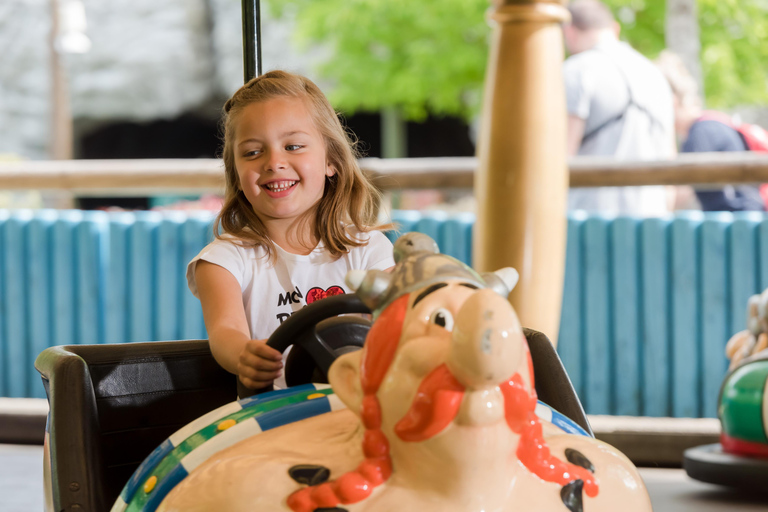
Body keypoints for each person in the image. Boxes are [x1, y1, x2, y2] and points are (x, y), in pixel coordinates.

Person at [186, 70, 395, 392]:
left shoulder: (370, 250)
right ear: (237, 173)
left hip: (358, 406)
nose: (274, 162)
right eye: (253, 152)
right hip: (273, 413)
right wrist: (244, 354)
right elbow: (226, 331)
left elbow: (400, 318)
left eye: (294, 146)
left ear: (331, 161)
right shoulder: (223, 261)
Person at [562, 0, 677, 216]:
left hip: (590, 217)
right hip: (652, 215)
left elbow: (562, 153)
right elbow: (669, 157)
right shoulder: (655, 75)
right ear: (615, 27)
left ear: (569, 32)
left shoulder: (575, 71)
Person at [656, 51, 765, 212]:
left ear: (672, 101)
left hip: (739, 222)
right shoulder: (711, 123)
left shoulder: (699, 135)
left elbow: (676, 198)